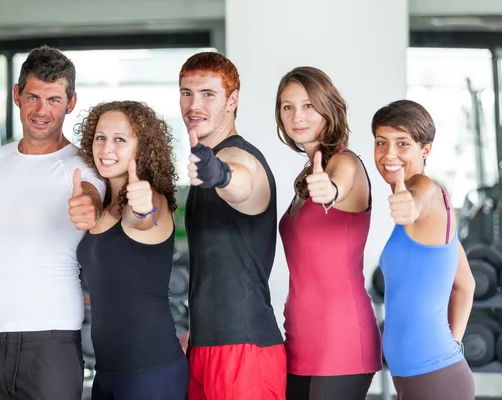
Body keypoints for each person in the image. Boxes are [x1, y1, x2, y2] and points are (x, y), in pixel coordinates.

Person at [0, 45, 105, 400]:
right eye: (33, 97)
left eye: (53, 100)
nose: (41, 111)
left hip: (53, 342)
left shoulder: (84, 167)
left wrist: (89, 206)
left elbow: (92, 198)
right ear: (17, 95)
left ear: (71, 102)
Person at [180, 51, 285, 400]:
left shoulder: (242, 158)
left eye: (208, 94)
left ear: (233, 100)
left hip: (244, 349)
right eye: (187, 93)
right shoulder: (205, 162)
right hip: (205, 344)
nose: (194, 105)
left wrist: (217, 174)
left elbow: (240, 183)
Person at [275, 66, 382, 400]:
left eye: (308, 105)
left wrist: (330, 191)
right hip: (300, 338)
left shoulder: (343, 164)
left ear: (329, 107)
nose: (296, 116)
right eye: (287, 106)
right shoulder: (307, 176)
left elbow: (337, 184)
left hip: (342, 340)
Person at [75, 100, 189, 400]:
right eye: (100, 137)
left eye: (120, 140)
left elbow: (144, 218)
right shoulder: (101, 205)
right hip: (107, 371)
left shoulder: (153, 199)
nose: (106, 148)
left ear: (143, 149)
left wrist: (143, 208)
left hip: (151, 372)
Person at [372, 99, 475, 400]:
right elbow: (466, 283)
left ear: (425, 150)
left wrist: (408, 206)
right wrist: (452, 345)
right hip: (426, 377)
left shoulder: (427, 191)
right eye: (381, 142)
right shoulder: (438, 214)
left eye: (402, 143)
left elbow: (417, 199)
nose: (389, 154)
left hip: (435, 380)